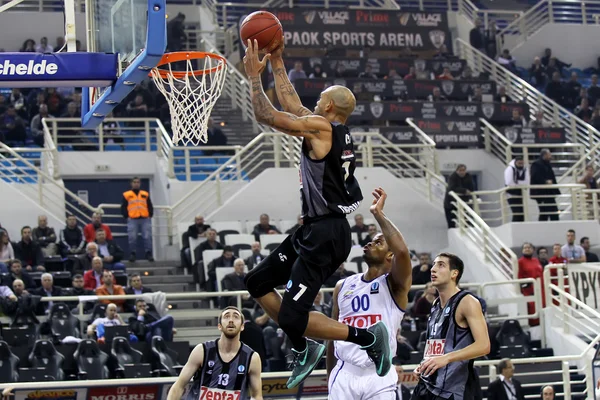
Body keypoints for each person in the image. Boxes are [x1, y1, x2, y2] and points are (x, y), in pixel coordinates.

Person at [243, 40, 390, 390]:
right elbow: (292, 104)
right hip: (313, 229)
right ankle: (302, 342)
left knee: (294, 316)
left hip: (327, 233)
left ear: (327, 105)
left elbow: (268, 115)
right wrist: (277, 62)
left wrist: (253, 78)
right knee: (256, 282)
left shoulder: (323, 130)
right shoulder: (330, 129)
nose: (314, 101)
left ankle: (368, 337)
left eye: (320, 98)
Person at [327, 187, 412, 400]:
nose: (369, 243)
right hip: (345, 372)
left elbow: (403, 252)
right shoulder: (342, 285)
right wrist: (331, 378)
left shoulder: (395, 284)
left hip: (379, 374)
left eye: (378, 242)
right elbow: (332, 335)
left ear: (390, 254)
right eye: (371, 241)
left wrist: (378, 214)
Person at [411, 253, 490, 400]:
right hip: (427, 385)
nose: (433, 269)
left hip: (452, 390)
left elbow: (484, 345)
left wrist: (446, 358)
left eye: (440, 265)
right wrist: (424, 364)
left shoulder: (467, 301)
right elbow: (436, 346)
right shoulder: (435, 304)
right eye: (433, 264)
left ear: (454, 273)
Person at [166, 306, 263, 400]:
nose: (231, 320)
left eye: (236, 317)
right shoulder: (202, 350)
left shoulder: (252, 358)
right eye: (226, 316)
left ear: (242, 326)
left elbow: (256, 396)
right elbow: (178, 386)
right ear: (219, 326)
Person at [121, 177, 154, 262]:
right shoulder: (127, 194)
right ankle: (133, 253)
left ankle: (148, 253)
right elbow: (124, 206)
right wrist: (126, 216)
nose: (136, 184)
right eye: (134, 182)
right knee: (132, 237)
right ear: (131, 183)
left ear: (140, 184)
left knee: (147, 236)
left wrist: (150, 214)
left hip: (145, 218)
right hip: (132, 219)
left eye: (138, 182)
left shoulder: (145, 194)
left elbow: (149, 205)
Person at [504, 157, 529, 222]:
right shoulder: (510, 169)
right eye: (519, 163)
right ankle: (515, 228)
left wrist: (517, 182)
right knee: (517, 213)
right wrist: (521, 184)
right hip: (511, 195)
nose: (521, 165)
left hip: (520, 195)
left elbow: (527, 182)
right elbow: (509, 183)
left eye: (522, 163)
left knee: (522, 214)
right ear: (515, 162)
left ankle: (521, 229)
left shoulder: (525, 169)